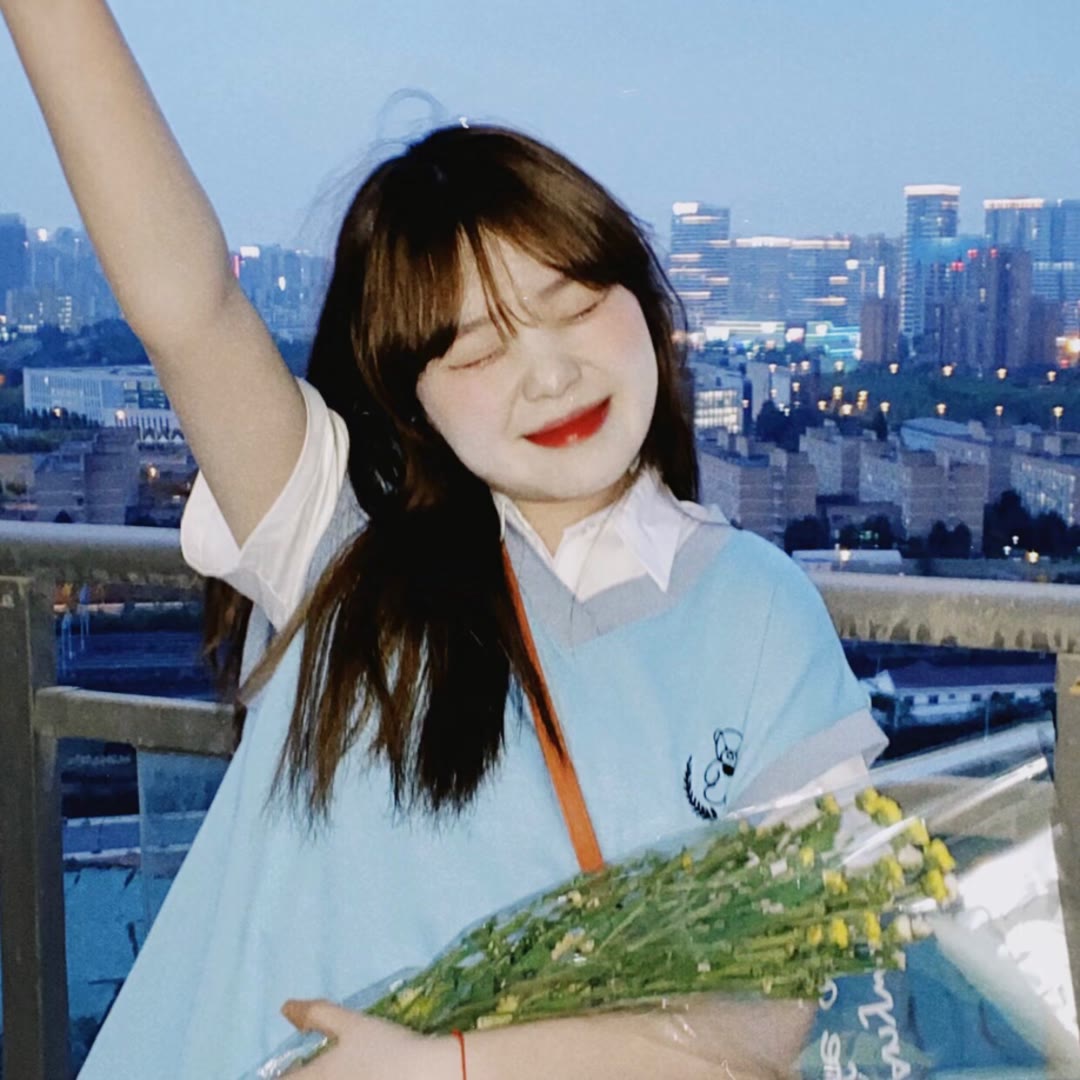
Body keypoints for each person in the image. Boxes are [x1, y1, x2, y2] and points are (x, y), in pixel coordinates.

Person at [4, 3, 887, 1077]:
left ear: (645, 301)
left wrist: (451, 1067)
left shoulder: (758, 610)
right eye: (475, 352)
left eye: (575, 305)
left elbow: (769, 1014)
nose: (550, 375)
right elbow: (186, 304)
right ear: (410, 396)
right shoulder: (338, 543)